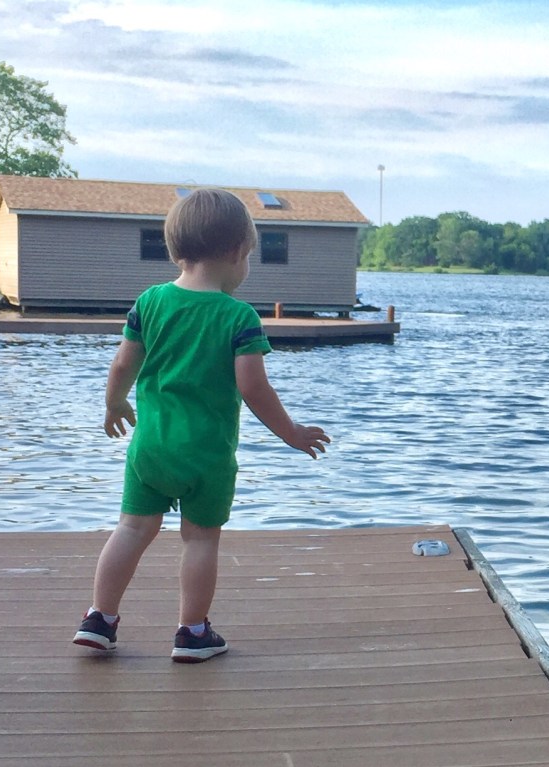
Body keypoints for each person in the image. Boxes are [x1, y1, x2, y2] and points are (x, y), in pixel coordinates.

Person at [73, 188, 331, 663]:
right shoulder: (238, 316)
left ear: (177, 251)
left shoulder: (150, 302)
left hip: (150, 448)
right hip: (207, 455)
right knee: (200, 538)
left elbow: (122, 365)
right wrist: (291, 433)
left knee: (131, 529)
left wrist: (114, 404)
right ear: (236, 252)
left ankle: (99, 619)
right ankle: (192, 634)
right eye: (249, 256)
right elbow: (254, 388)